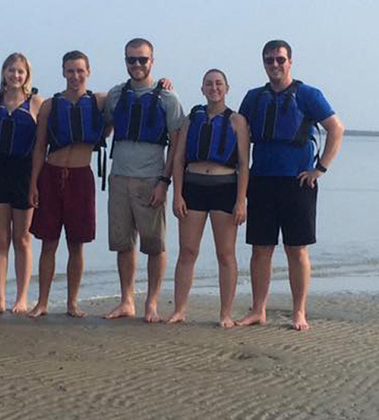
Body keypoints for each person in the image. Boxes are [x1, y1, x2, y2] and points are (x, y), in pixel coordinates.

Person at [236, 40, 344, 331]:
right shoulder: (253, 98)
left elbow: (336, 128)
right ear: (263, 63)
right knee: (260, 249)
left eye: (280, 60)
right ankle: (258, 309)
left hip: (298, 183)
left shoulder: (308, 94)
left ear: (290, 62)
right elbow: (236, 132)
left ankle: (299, 312)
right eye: (269, 60)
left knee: (296, 250)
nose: (275, 65)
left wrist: (319, 168)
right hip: (261, 181)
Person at [103, 38, 184, 323]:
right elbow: (104, 122)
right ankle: (127, 300)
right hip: (119, 178)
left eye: (142, 59)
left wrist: (165, 182)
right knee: (123, 243)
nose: (136, 65)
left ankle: (151, 302)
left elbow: (177, 143)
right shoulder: (116, 95)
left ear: (152, 60)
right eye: (131, 60)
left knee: (154, 244)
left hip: (151, 178)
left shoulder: (168, 98)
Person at [166, 69, 250, 328]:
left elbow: (244, 164)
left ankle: (225, 313)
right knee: (187, 251)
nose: (214, 88)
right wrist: (177, 194)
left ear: (226, 88)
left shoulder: (237, 121)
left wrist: (241, 200)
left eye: (218, 84)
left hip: (225, 187)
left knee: (225, 254)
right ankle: (179, 309)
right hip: (193, 187)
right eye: (209, 84)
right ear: (202, 89)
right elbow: (179, 159)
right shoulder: (192, 119)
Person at [28, 51, 108, 318]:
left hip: (81, 177)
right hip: (51, 174)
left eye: (80, 70)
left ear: (88, 71)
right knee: (48, 243)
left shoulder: (99, 102)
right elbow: (40, 147)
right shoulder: (50, 105)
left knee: (77, 244)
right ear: (63, 72)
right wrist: (33, 184)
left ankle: (72, 302)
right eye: (70, 71)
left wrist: (164, 83)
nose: (75, 76)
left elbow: (129, 92)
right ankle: (42, 302)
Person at [0, 53, 44, 314]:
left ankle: (21, 297)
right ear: (4, 72)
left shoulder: (37, 103)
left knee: (22, 238)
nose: (15, 75)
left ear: (27, 74)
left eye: (20, 71)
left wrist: (36, 183)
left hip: (24, 172)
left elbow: (41, 146)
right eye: (11, 70)